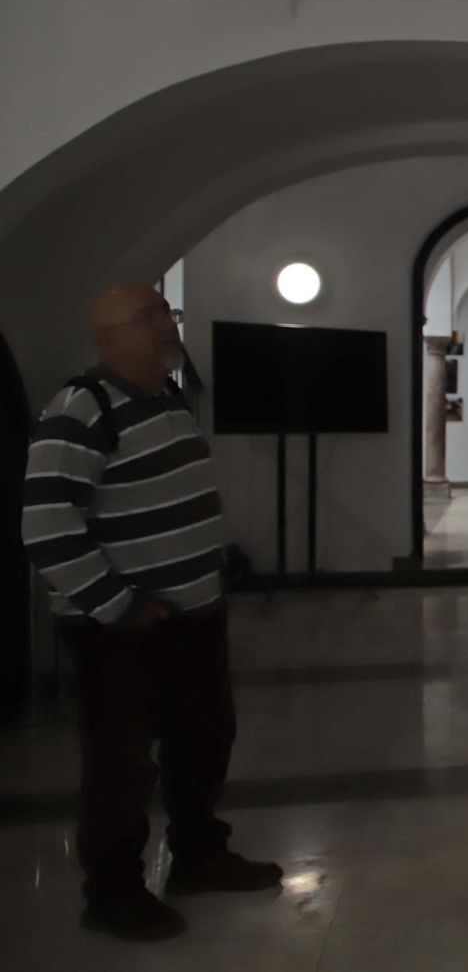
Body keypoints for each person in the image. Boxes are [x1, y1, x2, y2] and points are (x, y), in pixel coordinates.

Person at [21, 285, 281, 941]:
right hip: (125, 628)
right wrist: (119, 605)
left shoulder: (167, 400)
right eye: (150, 316)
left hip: (192, 615)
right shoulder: (83, 408)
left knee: (204, 738)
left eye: (169, 312)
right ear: (108, 336)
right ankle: (113, 892)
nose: (168, 324)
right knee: (122, 762)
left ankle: (198, 855)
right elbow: (47, 525)